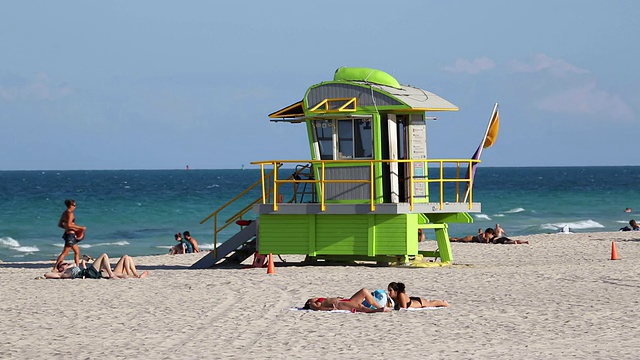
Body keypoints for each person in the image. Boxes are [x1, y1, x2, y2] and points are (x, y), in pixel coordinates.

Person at [44, 253, 149, 279]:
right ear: (61, 268)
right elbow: (46, 274)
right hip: (90, 273)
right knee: (104, 255)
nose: (67, 264)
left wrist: (83, 261)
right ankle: (112, 275)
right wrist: (60, 271)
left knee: (127, 257)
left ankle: (136, 275)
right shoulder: (64, 273)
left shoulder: (73, 268)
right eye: (64, 264)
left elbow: (80, 266)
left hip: (89, 271)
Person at [52, 199, 87, 272]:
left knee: (77, 251)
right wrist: (81, 228)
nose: (75, 207)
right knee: (65, 253)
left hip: (68, 234)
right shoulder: (70, 213)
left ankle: (77, 267)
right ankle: (55, 268)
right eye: (74, 205)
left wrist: (67, 228)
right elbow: (69, 224)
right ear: (70, 205)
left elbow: (60, 224)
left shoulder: (65, 213)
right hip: (70, 235)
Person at [302, 288, 390, 313]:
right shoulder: (312, 304)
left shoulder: (319, 299)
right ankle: (378, 310)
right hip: (338, 304)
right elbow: (318, 309)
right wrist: (330, 309)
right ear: (308, 302)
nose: (312, 297)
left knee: (364, 291)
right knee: (360, 307)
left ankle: (381, 307)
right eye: (310, 299)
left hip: (345, 300)